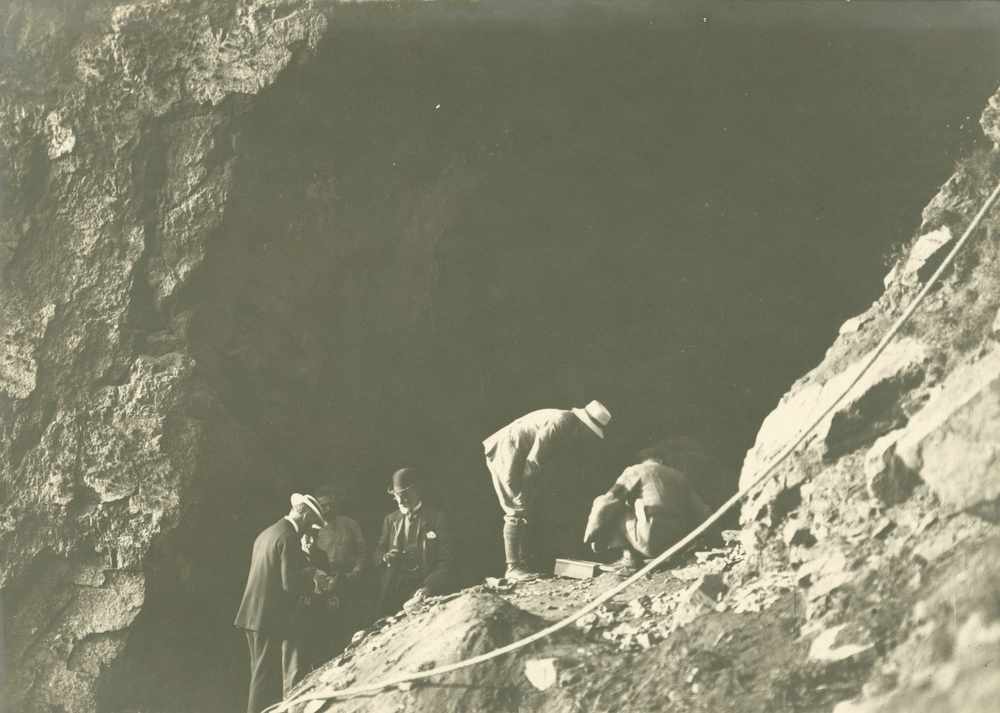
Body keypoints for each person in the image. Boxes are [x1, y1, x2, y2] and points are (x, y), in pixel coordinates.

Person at [482, 400, 612, 581]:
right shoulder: (562, 421)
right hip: (507, 449)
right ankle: (513, 568)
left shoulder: (568, 424)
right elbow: (534, 460)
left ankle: (522, 564)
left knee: (524, 505)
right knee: (516, 506)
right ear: (585, 424)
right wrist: (525, 490)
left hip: (517, 451)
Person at [233, 493, 326, 713]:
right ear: (302, 512)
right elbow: (289, 584)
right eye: (311, 521)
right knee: (264, 677)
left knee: (260, 673)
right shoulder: (289, 536)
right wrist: (313, 578)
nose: (309, 528)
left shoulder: (267, 532)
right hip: (266, 618)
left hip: (250, 614)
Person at [583, 455, 711, 574]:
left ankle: (630, 558)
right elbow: (703, 512)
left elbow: (605, 503)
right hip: (675, 544)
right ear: (661, 462)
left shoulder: (636, 470)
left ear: (642, 460)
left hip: (648, 541)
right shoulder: (678, 476)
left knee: (617, 502)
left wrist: (592, 535)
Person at [374, 468, 454, 617]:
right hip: (394, 588)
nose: (402, 500)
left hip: (424, 586)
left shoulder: (436, 518)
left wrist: (429, 586)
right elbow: (378, 552)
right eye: (398, 496)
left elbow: (446, 560)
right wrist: (385, 557)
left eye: (406, 495)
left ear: (417, 492)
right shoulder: (390, 520)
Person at [312, 494, 367, 657]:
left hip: (348, 578)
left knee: (352, 619)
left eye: (331, 504)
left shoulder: (349, 524)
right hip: (326, 583)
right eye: (323, 505)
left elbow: (362, 550)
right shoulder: (314, 529)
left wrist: (357, 570)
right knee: (329, 624)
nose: (328, 508)